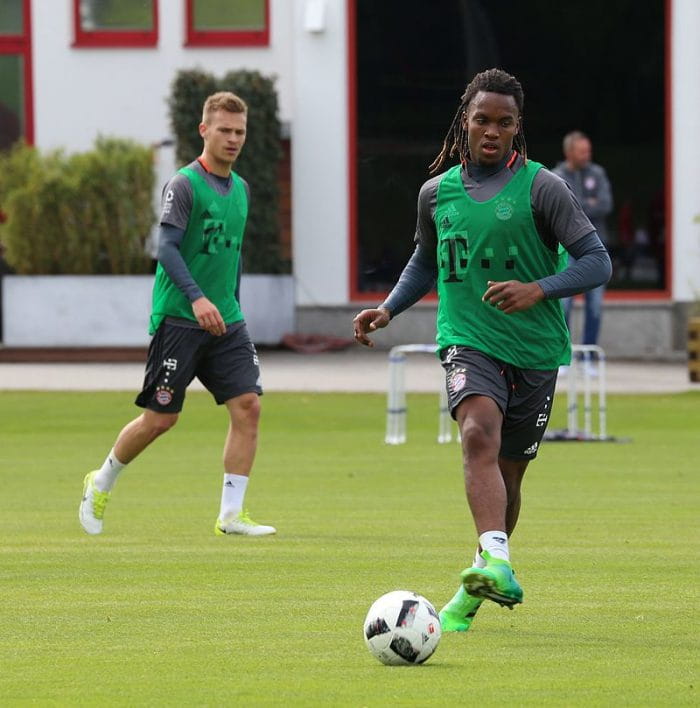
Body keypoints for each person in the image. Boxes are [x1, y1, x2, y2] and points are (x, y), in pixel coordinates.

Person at [352, 69, 611, 632]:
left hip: (537, 350)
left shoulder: (544, 187)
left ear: (518, 129)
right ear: (463, 122)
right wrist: (389, 307)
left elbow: (597, 261)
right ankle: (497, 558)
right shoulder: (435, 193)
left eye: (504, 122)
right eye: (481, 120)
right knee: (476, 434)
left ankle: (480, 577)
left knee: (509, 478)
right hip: (466, 339)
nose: (491, 131)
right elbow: (426, 260)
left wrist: (538, 288)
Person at [79, 91, 276, 537]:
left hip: (225, 320)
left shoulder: (241, 189)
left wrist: (231, 305)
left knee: (248, 407)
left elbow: (233, 256)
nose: (232, 139)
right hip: (179, 319)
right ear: (204, 130)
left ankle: (231, 515)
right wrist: (197, 299)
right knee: (161, 418)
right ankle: (101, 480)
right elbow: (165, 249)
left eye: (239, 131)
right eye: (223, 130)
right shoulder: (184, 185)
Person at [552, 131, 613, 361]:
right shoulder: (555, 177)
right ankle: (563, 355)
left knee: (595, 306)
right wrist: (589, 203)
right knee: (563, 305)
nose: (587, 155)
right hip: (566, 250)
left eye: (588, 150)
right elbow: (557, 210)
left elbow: (606, 204)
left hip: (595, 249)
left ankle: (589, 358)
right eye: (582, 151)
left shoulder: (597, 174)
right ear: (569, 152)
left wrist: (576, 205)